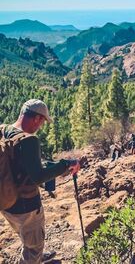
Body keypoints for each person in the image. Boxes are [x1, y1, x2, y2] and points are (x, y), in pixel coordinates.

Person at [0, 99, 80, 264]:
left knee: (25, 234)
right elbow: (38, 177)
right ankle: (34, 256)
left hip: (6, 201)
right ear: (36, 118)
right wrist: (65, 164)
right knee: (33, 245)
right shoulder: (29, 140)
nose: (41, 126)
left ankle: (35, 253)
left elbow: (17, 163)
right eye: (42, 121)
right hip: (26, 206)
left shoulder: (4, 130)